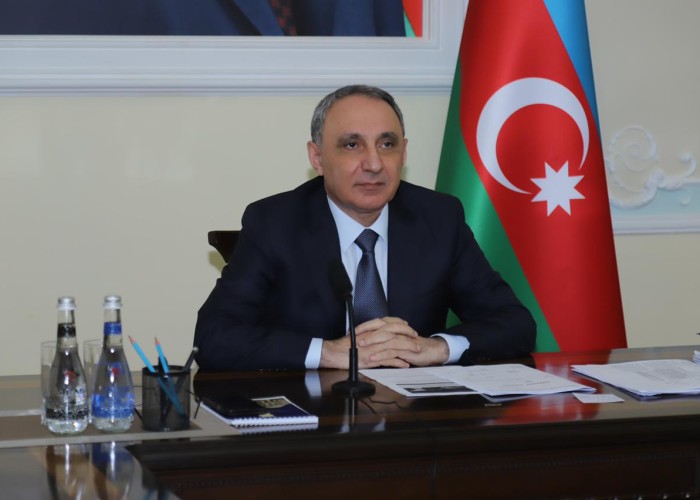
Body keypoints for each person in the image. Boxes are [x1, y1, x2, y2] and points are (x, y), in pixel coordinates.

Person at [194, 84, 536, 371]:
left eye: (387, 145)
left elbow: (515, 324)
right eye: (352, 145)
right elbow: (214, 336)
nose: (373, 164)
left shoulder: (439, 218)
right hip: (312, 416)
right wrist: (328, 353)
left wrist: (436, 348)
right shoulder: (275, 223)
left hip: (414, 417)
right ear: (317, 158)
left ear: (404, 153)